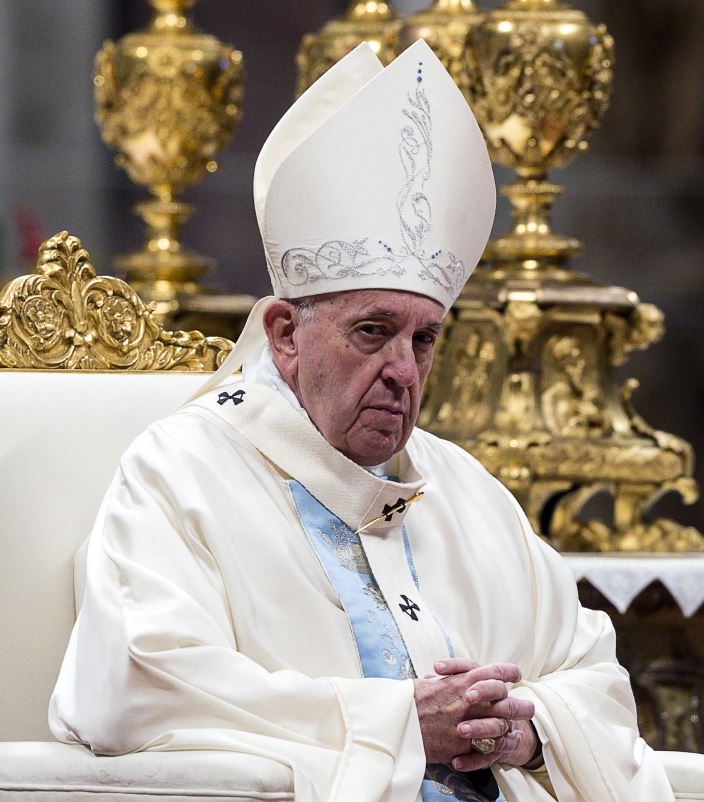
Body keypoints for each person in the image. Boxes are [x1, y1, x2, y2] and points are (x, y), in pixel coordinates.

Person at [47, 41, 676, 802]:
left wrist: (528, 729)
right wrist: (402, 725)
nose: (403, 370)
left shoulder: (463, 488)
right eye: (373, 332)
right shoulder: (183, 470)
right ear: (285, 335)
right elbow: (140, 683)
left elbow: (590, 674)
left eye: (424, 339)